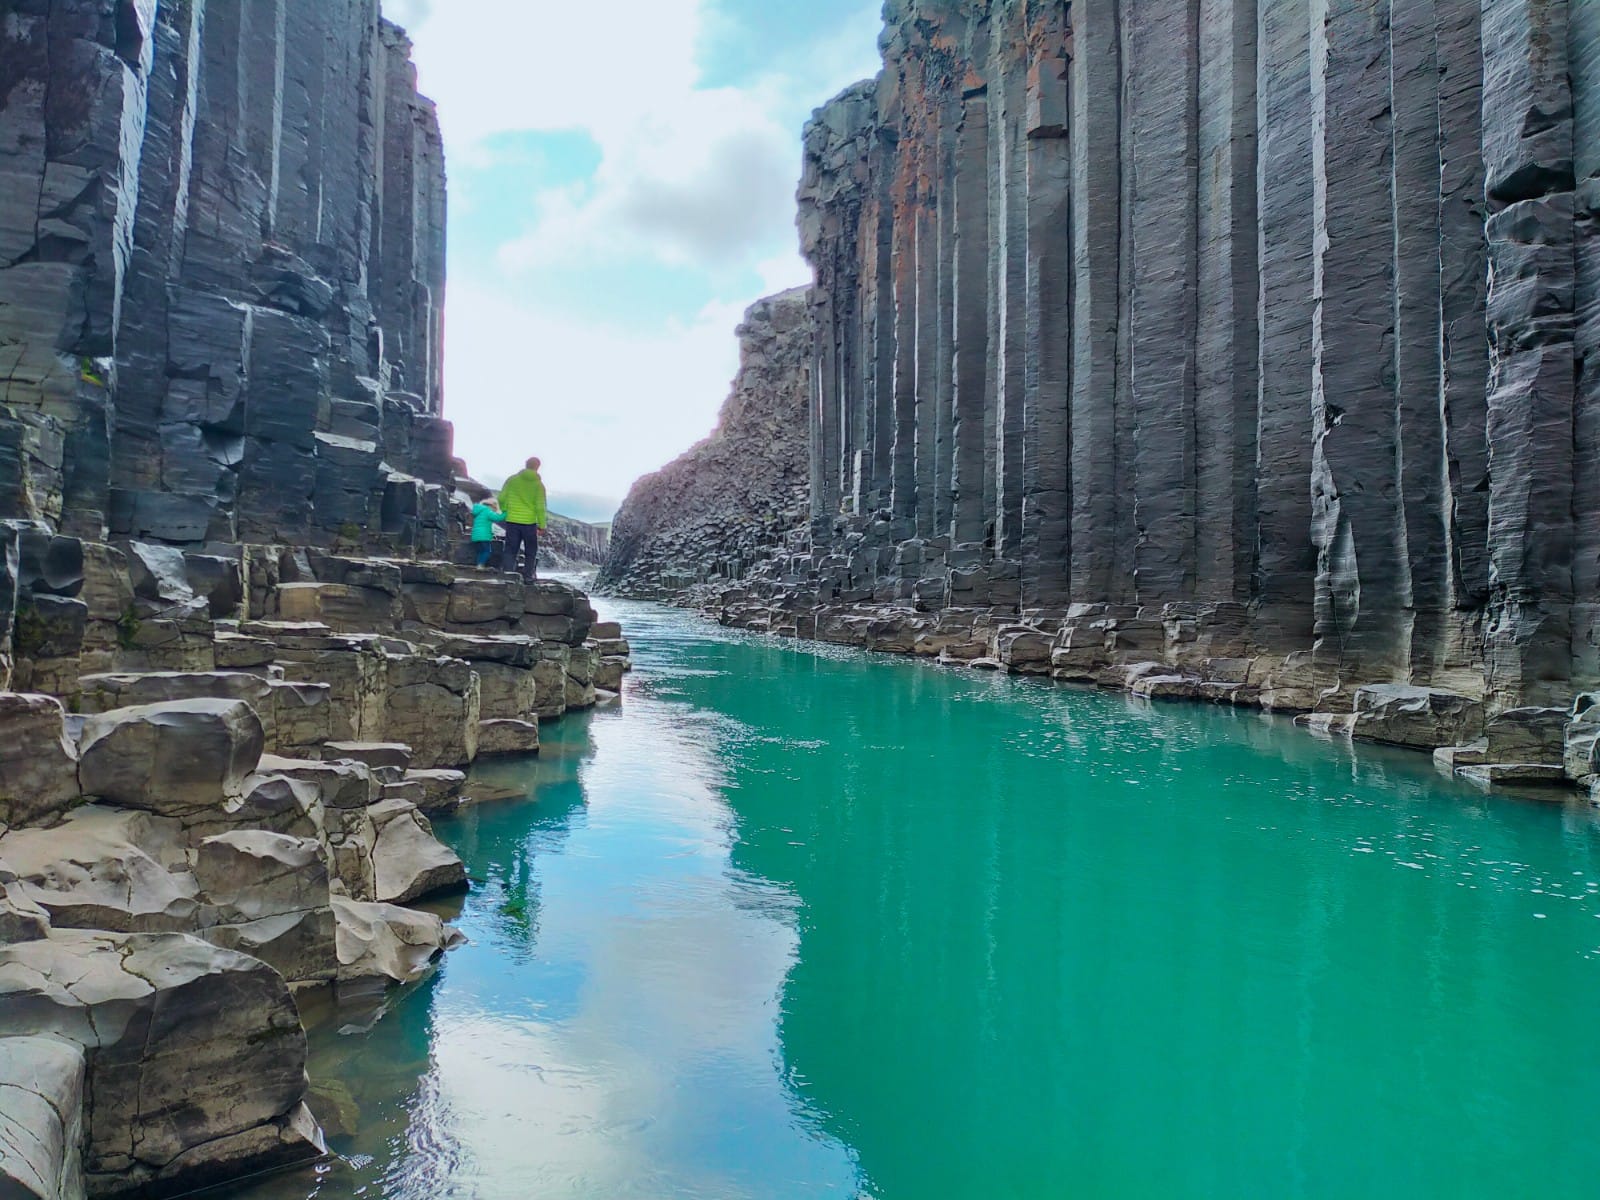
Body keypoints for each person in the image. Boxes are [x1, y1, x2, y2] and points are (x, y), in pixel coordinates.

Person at [498, 456, 548, 580]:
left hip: (512, 521)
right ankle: (528, 577)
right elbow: (540, 507)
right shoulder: (539, 485)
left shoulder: (512, 480)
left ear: (526, 465)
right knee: (530, 551)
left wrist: (505, 510)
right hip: (529, 523)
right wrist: (542, 525)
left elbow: (501, 498)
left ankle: (508, 576)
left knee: (510, 550)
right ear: (537, 467)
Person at [470, 496, 505, 567]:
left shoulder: (478, 512)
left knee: (480, 552)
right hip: (484, 536)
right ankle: (480, 565)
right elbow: (498, 518)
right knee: (487, 552)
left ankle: (479, 565)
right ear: (492, 506)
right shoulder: (487, 511)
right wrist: (506, 513)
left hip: (475, 536)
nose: (494, 511)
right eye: (494, 510)